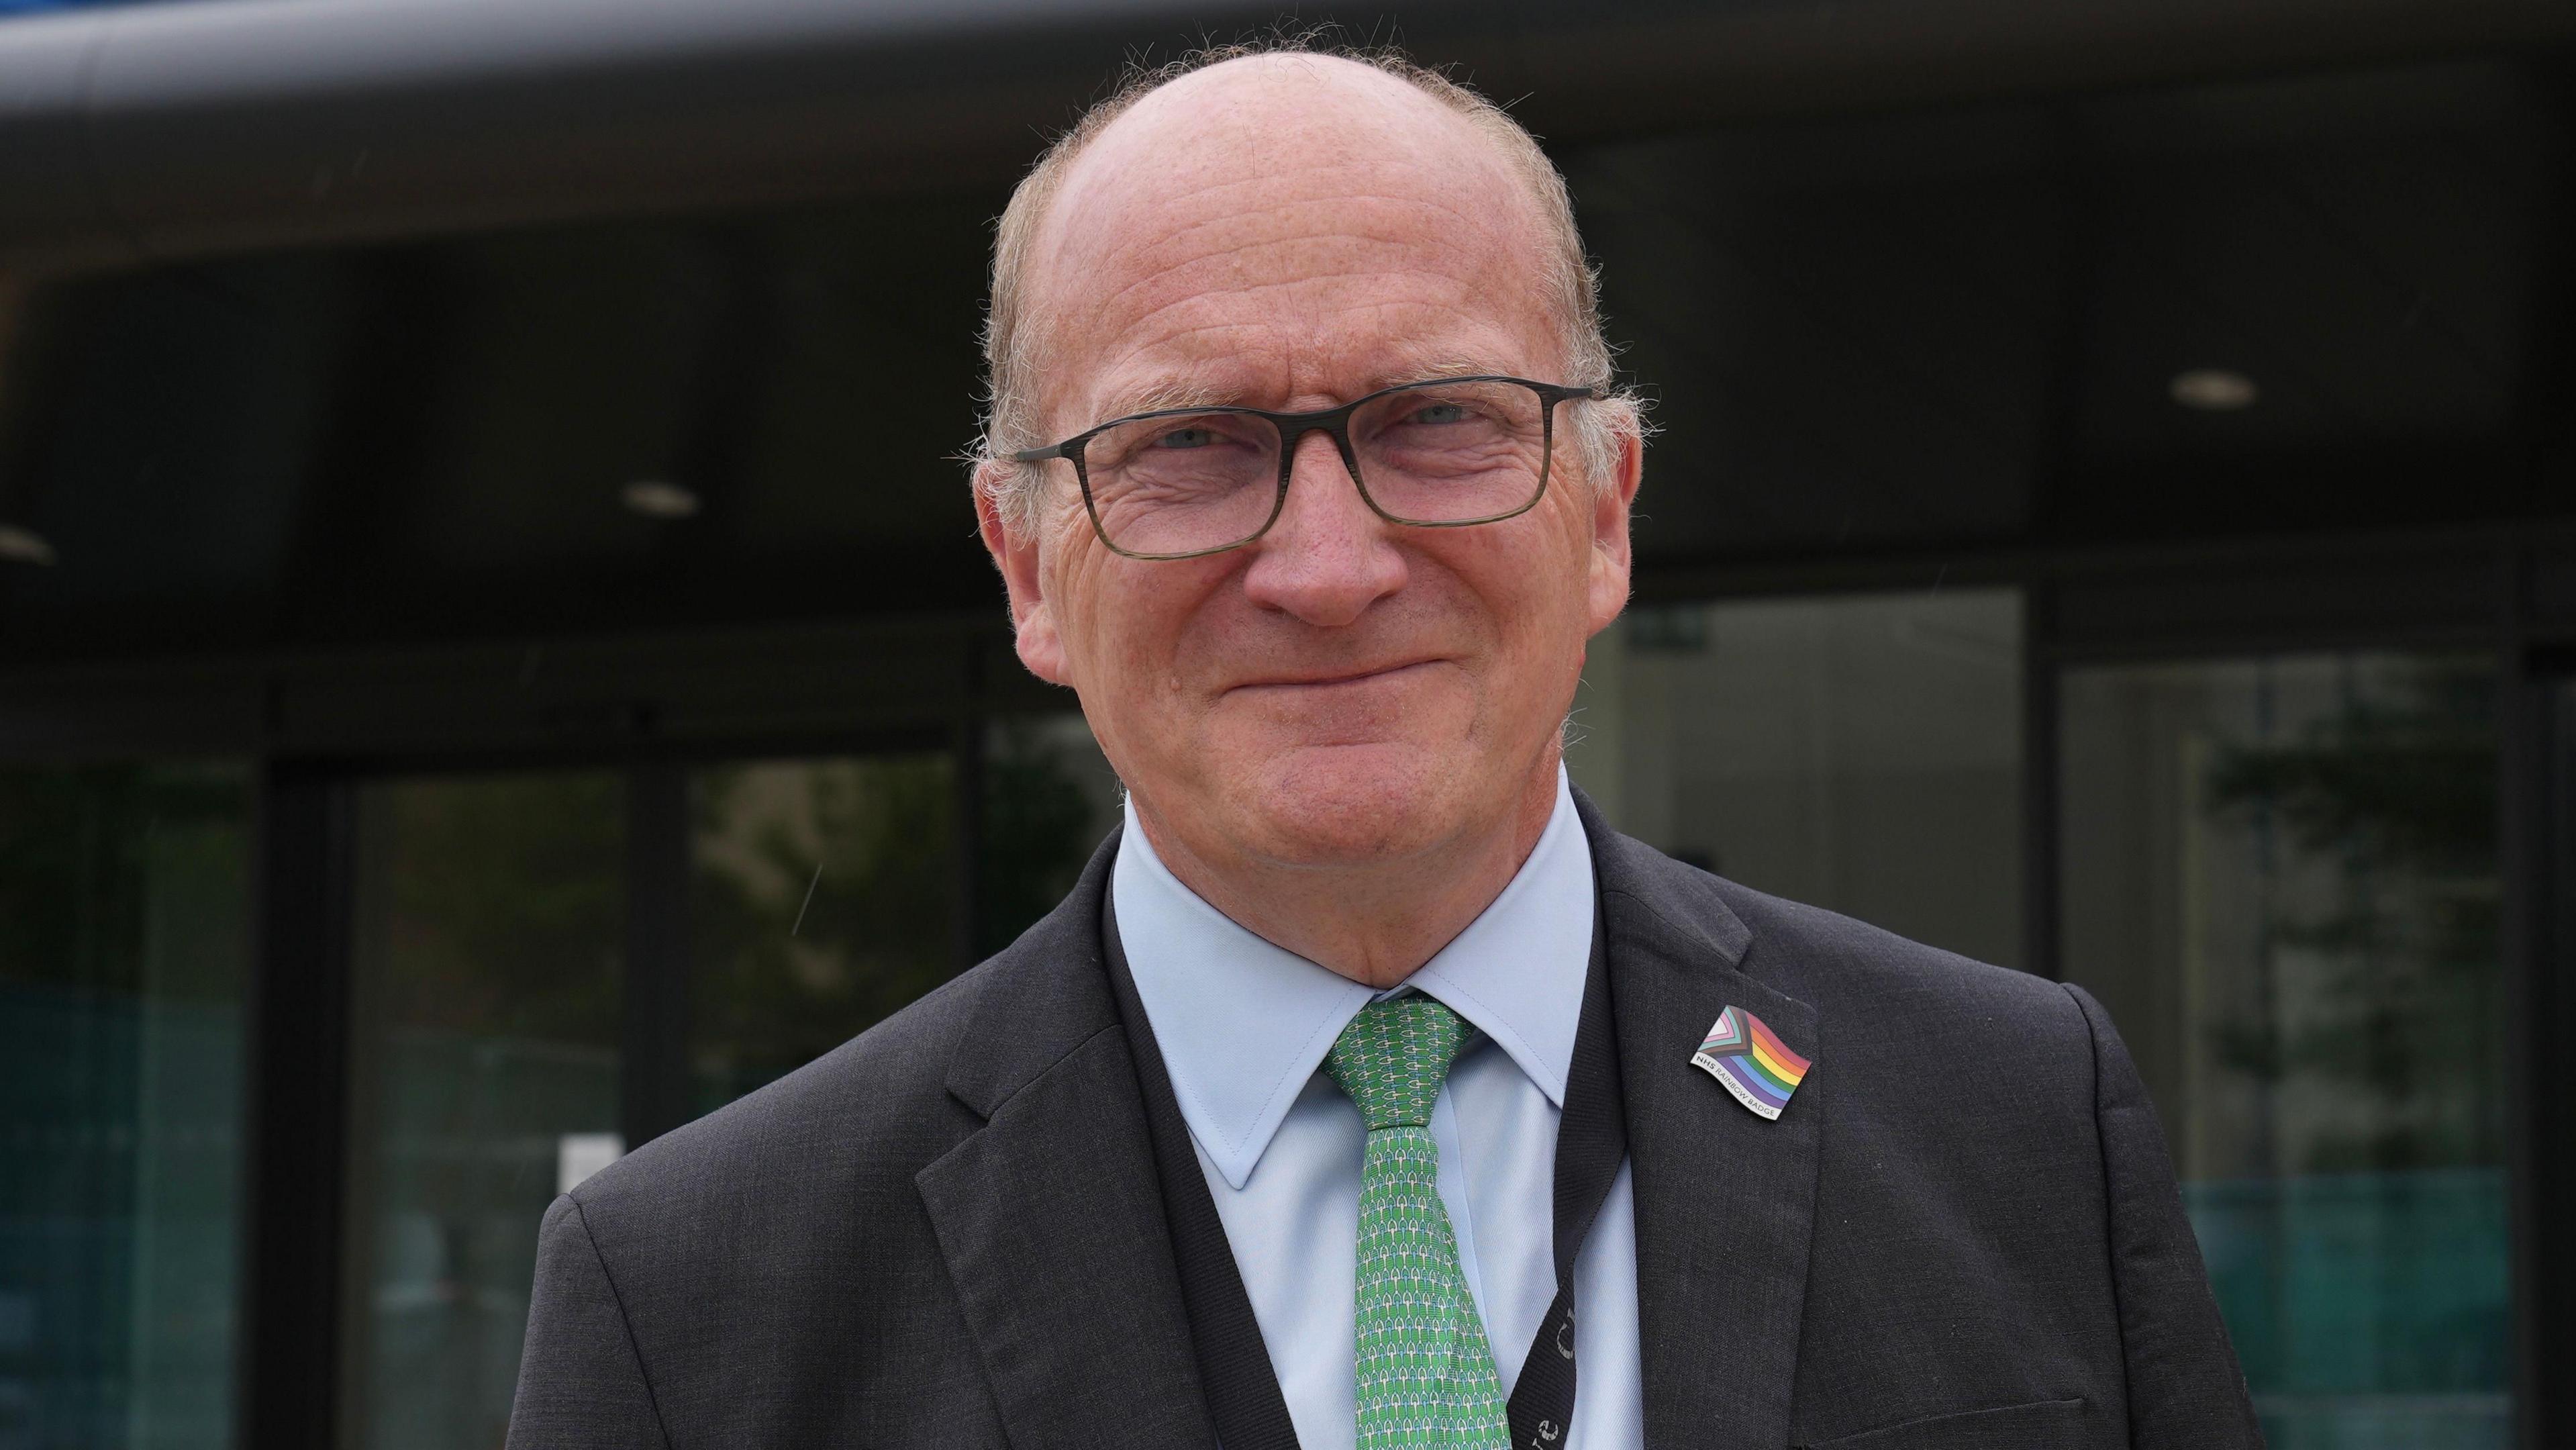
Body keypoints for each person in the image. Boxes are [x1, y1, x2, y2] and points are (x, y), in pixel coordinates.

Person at [506, 41, 2260, 1450]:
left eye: (1438, 421)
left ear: (1605, 512)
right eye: (1188, 442)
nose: (1331, 570)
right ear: (1030, 567)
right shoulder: (696, 1305)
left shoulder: (2018, 1123)